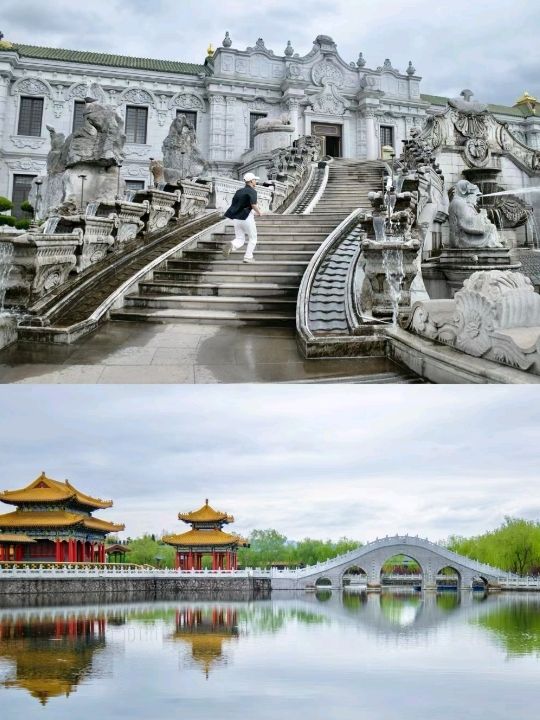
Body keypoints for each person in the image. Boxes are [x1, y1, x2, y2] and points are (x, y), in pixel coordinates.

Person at [223, 172, 263, 263]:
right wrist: (259, 212)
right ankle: (248, 257)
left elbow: (235, 205)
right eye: (255, 180)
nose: (255, 182)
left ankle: (232, 245)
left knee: (240, 238)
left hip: (237, 219)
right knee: (253, 238)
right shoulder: (252, 191)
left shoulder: (239, 191)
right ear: (251, 181)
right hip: (247, 218)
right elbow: (253, 205)